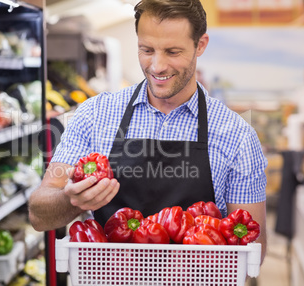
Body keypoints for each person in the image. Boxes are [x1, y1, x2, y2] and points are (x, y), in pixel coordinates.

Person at [28, 0, 268, 263]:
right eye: (146, 50)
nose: (157, 66)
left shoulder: (237, 136)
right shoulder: (94, 115)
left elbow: (252, 250)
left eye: (173, 52)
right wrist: (71, 200)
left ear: (200, 45)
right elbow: (39, 215)